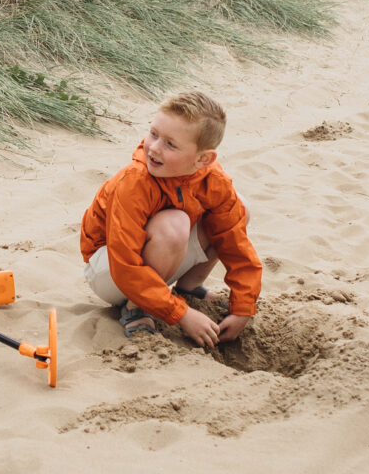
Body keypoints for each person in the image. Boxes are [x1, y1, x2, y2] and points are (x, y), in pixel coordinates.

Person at [80, 92, 262, 347]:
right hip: (109, 271)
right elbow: (125, 265)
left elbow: (235, 245)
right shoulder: (134, 182)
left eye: (170, 144)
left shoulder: (213, 181)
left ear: (203, 159)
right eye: (153, 134)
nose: (154, 148)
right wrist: (181, 315)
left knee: (238, 209)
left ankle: (189, 289)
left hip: (157, 259)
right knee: (175, 224)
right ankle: (136, 307)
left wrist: (243, 307)